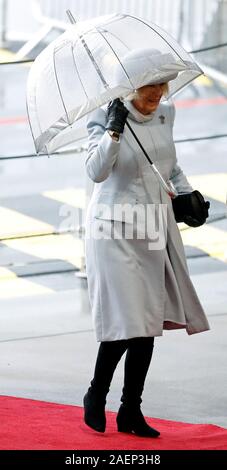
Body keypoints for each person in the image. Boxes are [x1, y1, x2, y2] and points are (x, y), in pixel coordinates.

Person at [83, 48, 210, 438]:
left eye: (162, 83)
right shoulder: (104, 116)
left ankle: (129, 411)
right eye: (150, 84)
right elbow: (96, 171)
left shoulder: (165, 114)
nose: (159, 91)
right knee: (130, 320)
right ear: (130, 86)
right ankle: (96, 393)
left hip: (154, 225)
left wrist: (188, 196)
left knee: (148, 321)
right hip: (114, 230)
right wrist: (113, 131)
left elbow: (169, 165)